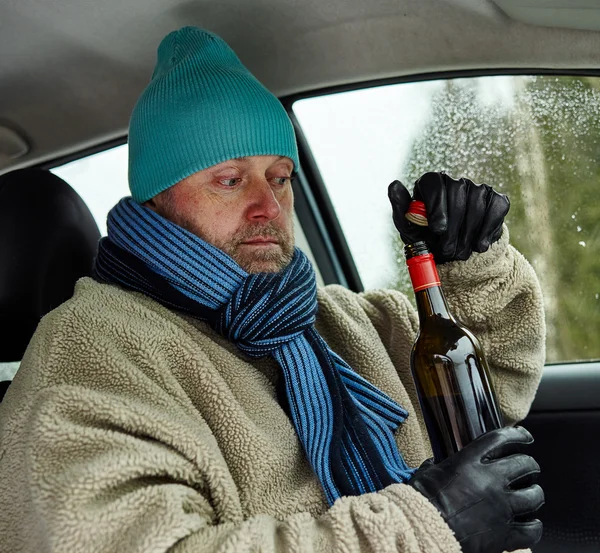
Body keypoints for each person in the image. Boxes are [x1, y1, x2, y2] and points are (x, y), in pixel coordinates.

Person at [0, 26, 545, 553]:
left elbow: (493, 399)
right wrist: (427, 524)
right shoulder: (92, 353)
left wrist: (473, 262)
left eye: (279, 177)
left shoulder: (348, 323)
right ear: (157, 198)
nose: (268, 207)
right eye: (230, 179)